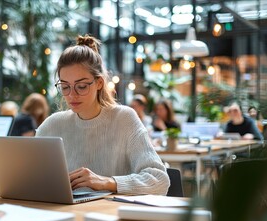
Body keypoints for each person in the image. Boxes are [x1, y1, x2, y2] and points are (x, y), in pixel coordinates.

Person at [35, 34, 170, 195]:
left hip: (112, 215)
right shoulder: (53, 125)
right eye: (65, 87)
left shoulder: (124, 119)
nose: (72, 95)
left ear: (99, 83)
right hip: (65, 213)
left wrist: (108, 182)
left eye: (82, 86)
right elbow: (29, 176)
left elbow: (160, 180)